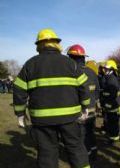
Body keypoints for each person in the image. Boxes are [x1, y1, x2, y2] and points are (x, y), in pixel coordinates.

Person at [13, 28, 90, 168]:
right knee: (76, 149)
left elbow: (18, 89)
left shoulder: (30, 64)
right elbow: (84, 86)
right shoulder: (70, 63)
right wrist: (85, 107)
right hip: (70, 118)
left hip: (42, 120)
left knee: (47, 153)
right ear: (56, 43)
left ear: (39, 45)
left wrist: (20, 114)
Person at [67, 44, 100, 164]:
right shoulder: (92, 72)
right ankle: (93, 154)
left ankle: (84, 158)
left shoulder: (73, 72)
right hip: (92, 110)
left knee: (80, 136)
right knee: (90, 133)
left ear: (71, 57)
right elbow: (97, 91)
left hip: (80, 111)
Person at [102, 59, 120, 144]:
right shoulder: (109, 78)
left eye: (107, 69)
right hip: (111, 105)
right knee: (112, 123)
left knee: (113, 124)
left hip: (113, 106)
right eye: (105, 69)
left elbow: (112, 95)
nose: (105, 70)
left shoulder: (112, 79)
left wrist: (107, 105)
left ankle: (113, 140)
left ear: (112, 70)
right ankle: (113, 137)